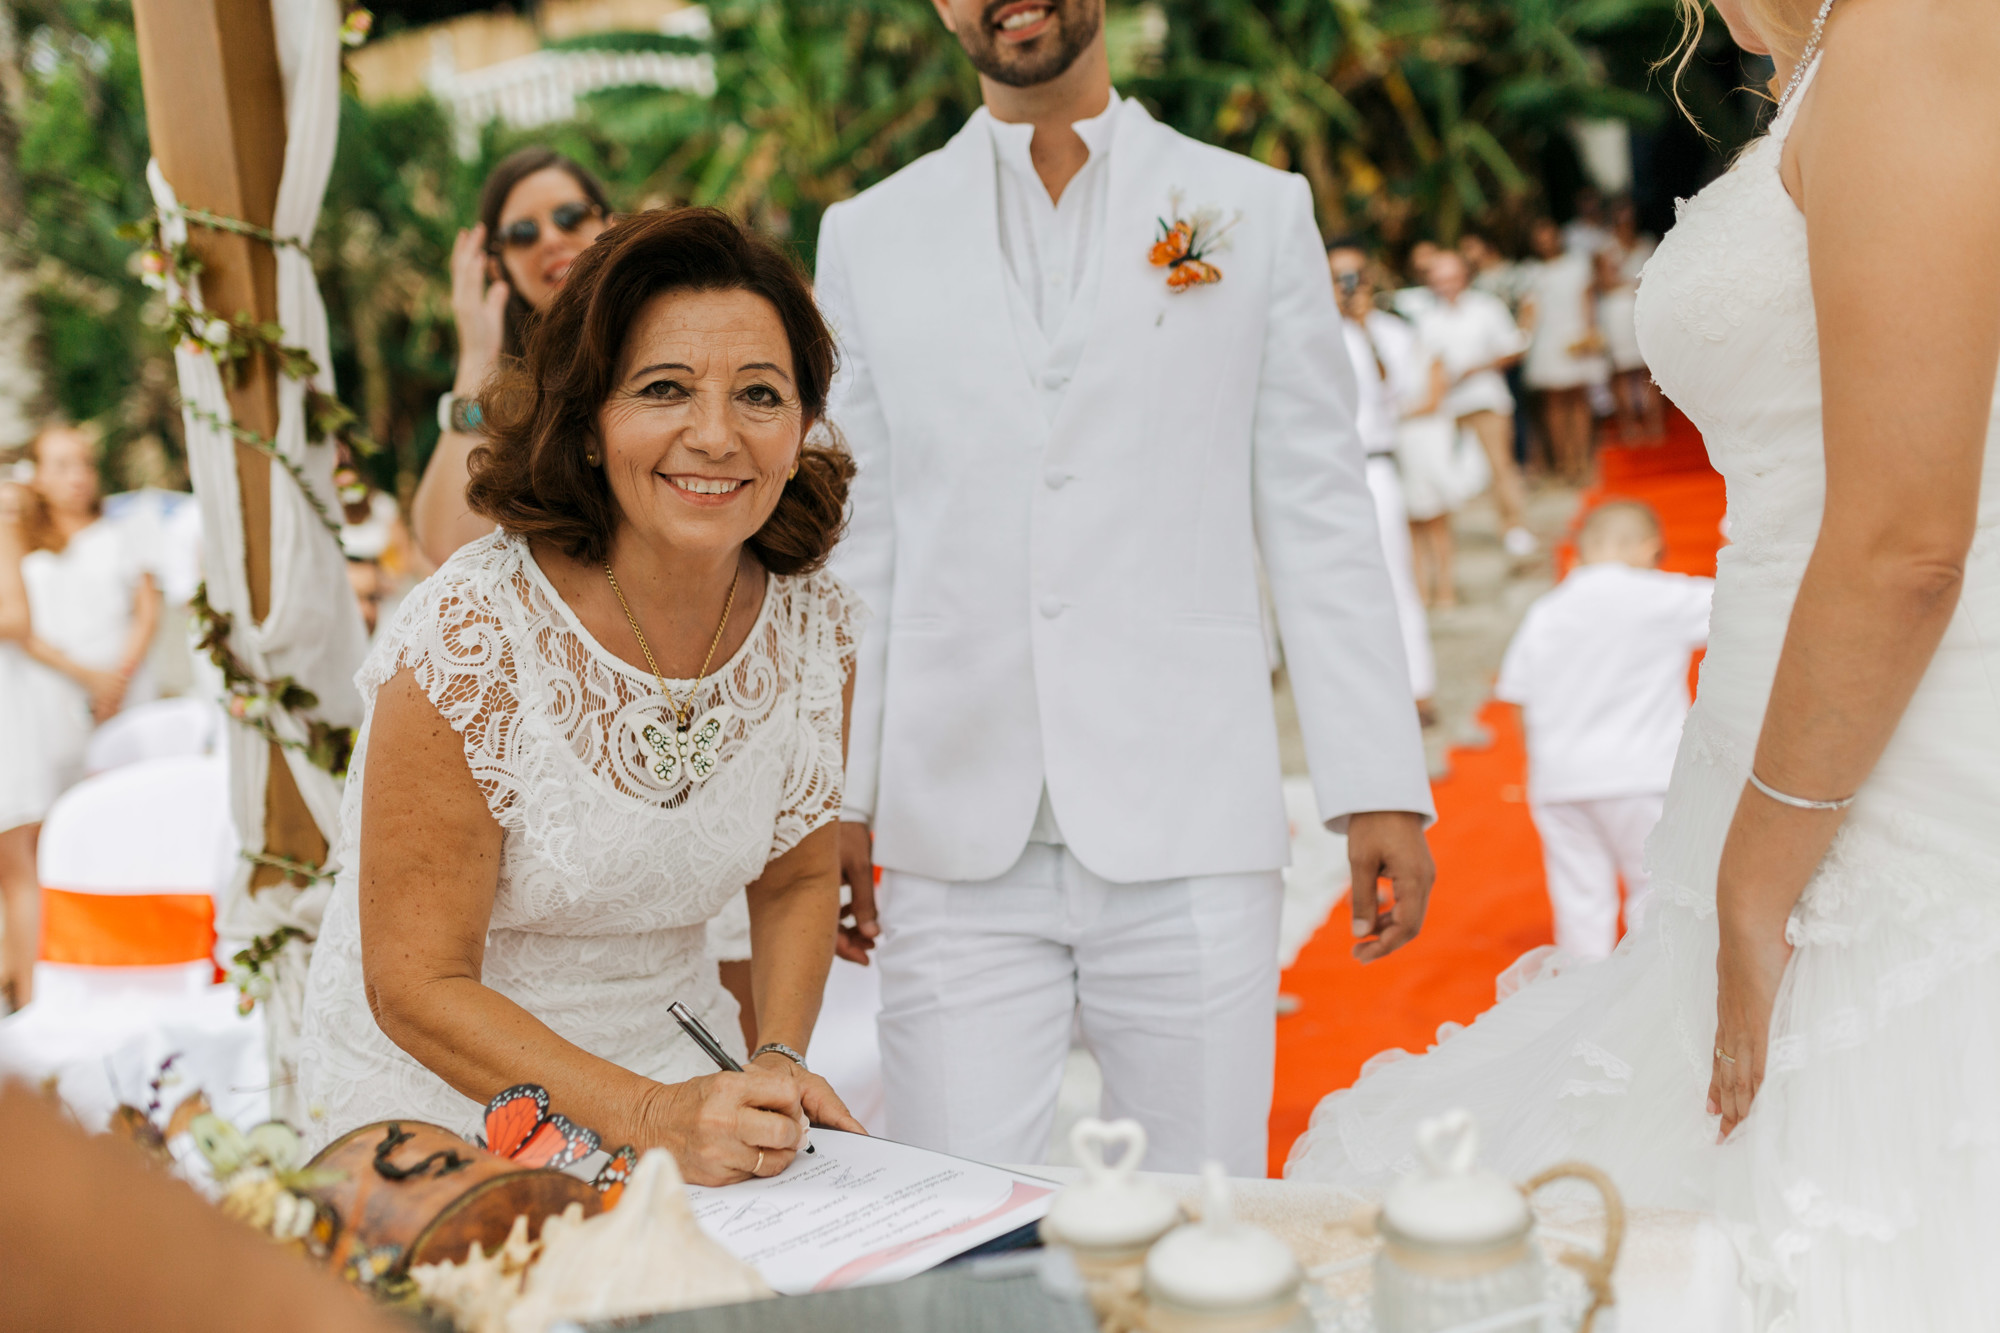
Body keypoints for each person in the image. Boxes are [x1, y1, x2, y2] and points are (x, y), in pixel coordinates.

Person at [1290, 0, 2000, 1324]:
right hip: (1755, 756)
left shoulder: (1918, 24)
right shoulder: (1812, 66)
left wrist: (1759, 871)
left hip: (1885, 785)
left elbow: (1909, 540)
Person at [817, 0, 1436, 1177]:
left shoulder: (1250, 210)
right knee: (953, 1222)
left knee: (1203, 1220)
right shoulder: (867, 234)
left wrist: (1375, 782)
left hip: (1190, 810)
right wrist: (840, 795)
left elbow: (1315, 510)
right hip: (951, 836)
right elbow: (863, 536)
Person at [296, 208, 867, 1184]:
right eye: (663, 389)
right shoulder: (470, 638)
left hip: (688, 1073)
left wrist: (775, 1056)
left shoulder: (816, 626)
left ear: (802, 425)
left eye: (760, 395)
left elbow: (797, 877)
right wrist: (652, 1116)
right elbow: (416, 985)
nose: (716, 435)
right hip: (451, 1112)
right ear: (590, 422)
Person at [1496, 501, 1712, 959]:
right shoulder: (1659, 594)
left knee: (1580, 907)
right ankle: (1652, 1008)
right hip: (1641, 773)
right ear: (1648, 547)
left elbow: (1517, 693)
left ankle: (1582, 1006)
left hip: (1559, 781)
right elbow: (1747, 608)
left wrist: (1540, 761)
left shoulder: (1546, 612)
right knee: (1654, 896)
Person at [0, 424, 160, 1009]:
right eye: (61, 465)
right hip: (45, 694)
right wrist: (81, 676)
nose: (76, 477)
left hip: (114, 689)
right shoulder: (25, 533)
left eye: (83, 464)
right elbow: (26, 630)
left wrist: (113, 677)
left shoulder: (120, 533)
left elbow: (147, 608)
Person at [410, 148, 613, 568]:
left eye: (571, 216)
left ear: (610, 224)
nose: (552, 240)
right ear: (499, 269)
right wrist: (475, 359)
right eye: (523, 233)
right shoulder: (519, 403)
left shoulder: (675, 333)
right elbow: (450, 551)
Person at [1328, 240, 1436, 723]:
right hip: (1326, 476)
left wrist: (1364, 328)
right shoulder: (1311, 335)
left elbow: (1401, 392)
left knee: (1396, 578)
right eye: (1337, 278)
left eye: (1356, 277)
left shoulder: (1389, 332)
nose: (1348, 288)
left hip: (1374, 466)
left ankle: (1418, 688)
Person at [1412, 250, 1536, 557]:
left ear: (1463, 276)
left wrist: (1476, 368)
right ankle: (1449, 541)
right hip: (1444, 407)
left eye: (1450, 277)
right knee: (1447, 469)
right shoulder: (1426, 318)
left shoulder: (1486, 308)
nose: (1445, 285)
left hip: (1485, 400)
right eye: (1439, 279)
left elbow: (1513, 348)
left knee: (1501, 467)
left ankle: (1514, 527)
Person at [1518, 217, 1607, 484]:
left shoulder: (1576, 265)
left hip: (1575, 334)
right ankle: (1563, 460)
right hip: (1546, 340)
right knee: (1554, 402)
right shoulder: (1530, 272)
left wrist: (1590, 333)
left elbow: (1588, 299)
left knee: (1579, 398)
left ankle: (1582, 458)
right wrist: (1520, 340)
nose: (1545, 242)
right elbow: (1528, 311)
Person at [1595, 197, 1664, 442]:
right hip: (1617, 313)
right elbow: (1603, 283)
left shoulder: (1646, 243)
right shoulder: (1606, 247)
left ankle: (1655, 422)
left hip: (1644, 309)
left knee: (1649, 369)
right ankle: (1630, 426)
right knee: (1623, 371)